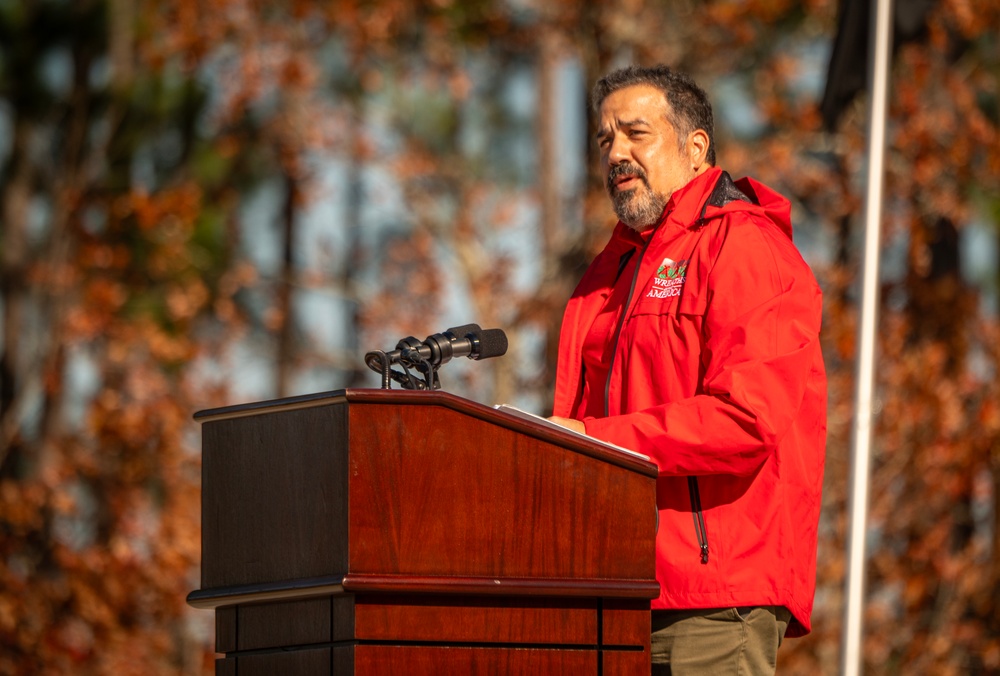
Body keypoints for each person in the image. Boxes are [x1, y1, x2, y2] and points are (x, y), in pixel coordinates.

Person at [548, 64, 827, 675]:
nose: (616, 153)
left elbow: (746, 419)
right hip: (610, 592)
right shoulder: (608, 274)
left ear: (695, 147)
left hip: (712, 601)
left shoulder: (746, 248)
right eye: (604, 140)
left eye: (635, 133)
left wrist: (594, 443)